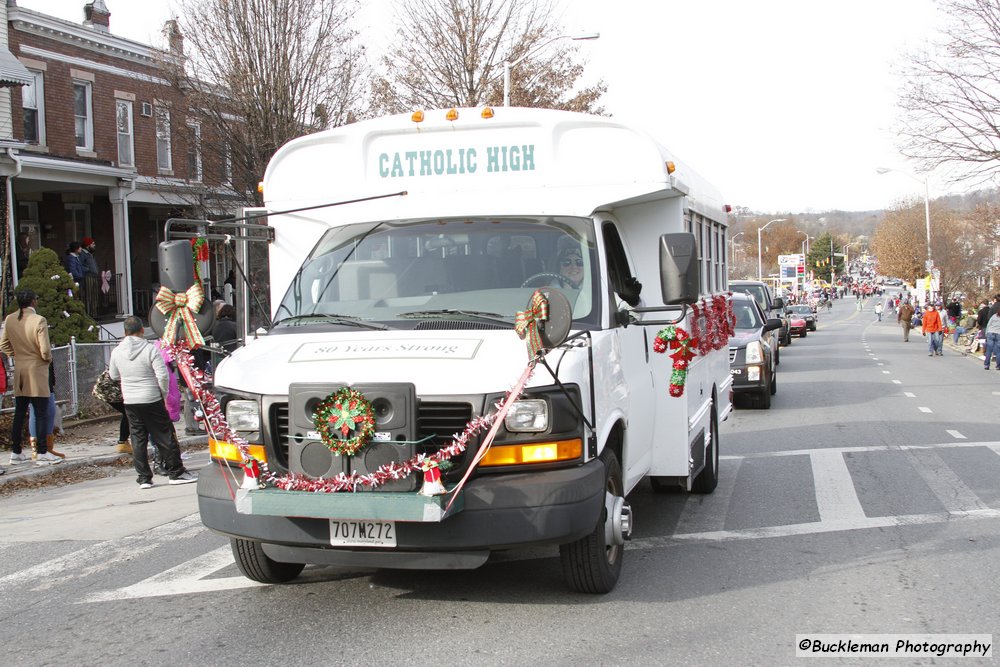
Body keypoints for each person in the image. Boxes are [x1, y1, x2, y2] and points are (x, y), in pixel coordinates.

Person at [108, 316, 196, 489]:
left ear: (125, 332)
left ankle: (143, 478)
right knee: (164, 435)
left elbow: (113, 375)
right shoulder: (150, 349)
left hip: (130, 400)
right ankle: (175, 472)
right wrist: (162, 393)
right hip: (151, 397)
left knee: (138, 438)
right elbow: (162, 375)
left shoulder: (116, 351)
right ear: (142, 330)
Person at [0, 289, 61, 466]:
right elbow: (45, 349)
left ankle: (16, 451)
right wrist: (46, 359)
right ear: (34, 301)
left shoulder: (10, 319)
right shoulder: (39, 320)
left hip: (20, 368)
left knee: (20, 412)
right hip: (37, 370)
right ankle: (42, 452)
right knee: (40, 411)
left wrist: (17, 355)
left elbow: (3, 344)